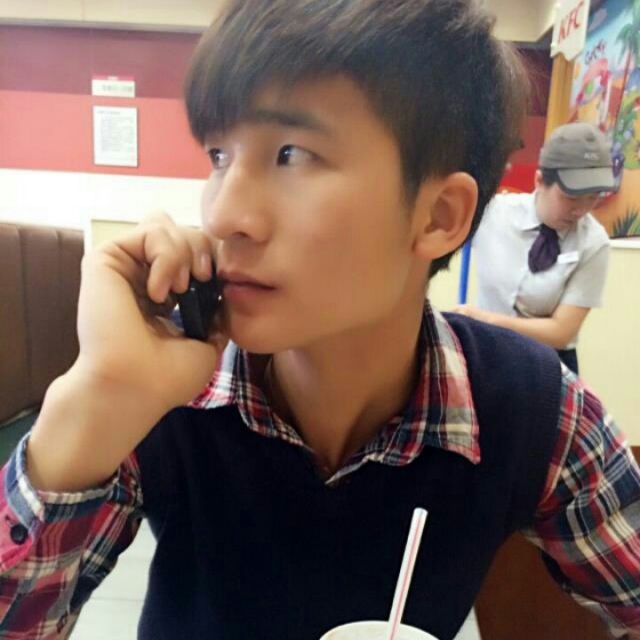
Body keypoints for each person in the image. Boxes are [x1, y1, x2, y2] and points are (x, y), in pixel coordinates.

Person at [1, 2, 639, 639]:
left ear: (439, 216)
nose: (222, 215)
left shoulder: (530, 407)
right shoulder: (165, 389)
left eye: (292, 154)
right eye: (219, 155)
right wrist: (98, 398)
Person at [456, 122, 614, 374]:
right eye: (571, 197)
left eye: (593, 197)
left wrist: (485, 320)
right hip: (485, 353)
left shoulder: (593, 242)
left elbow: (561, 332)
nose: (581, 210)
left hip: (548, 363)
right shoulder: (493, 214)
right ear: (539, 180)